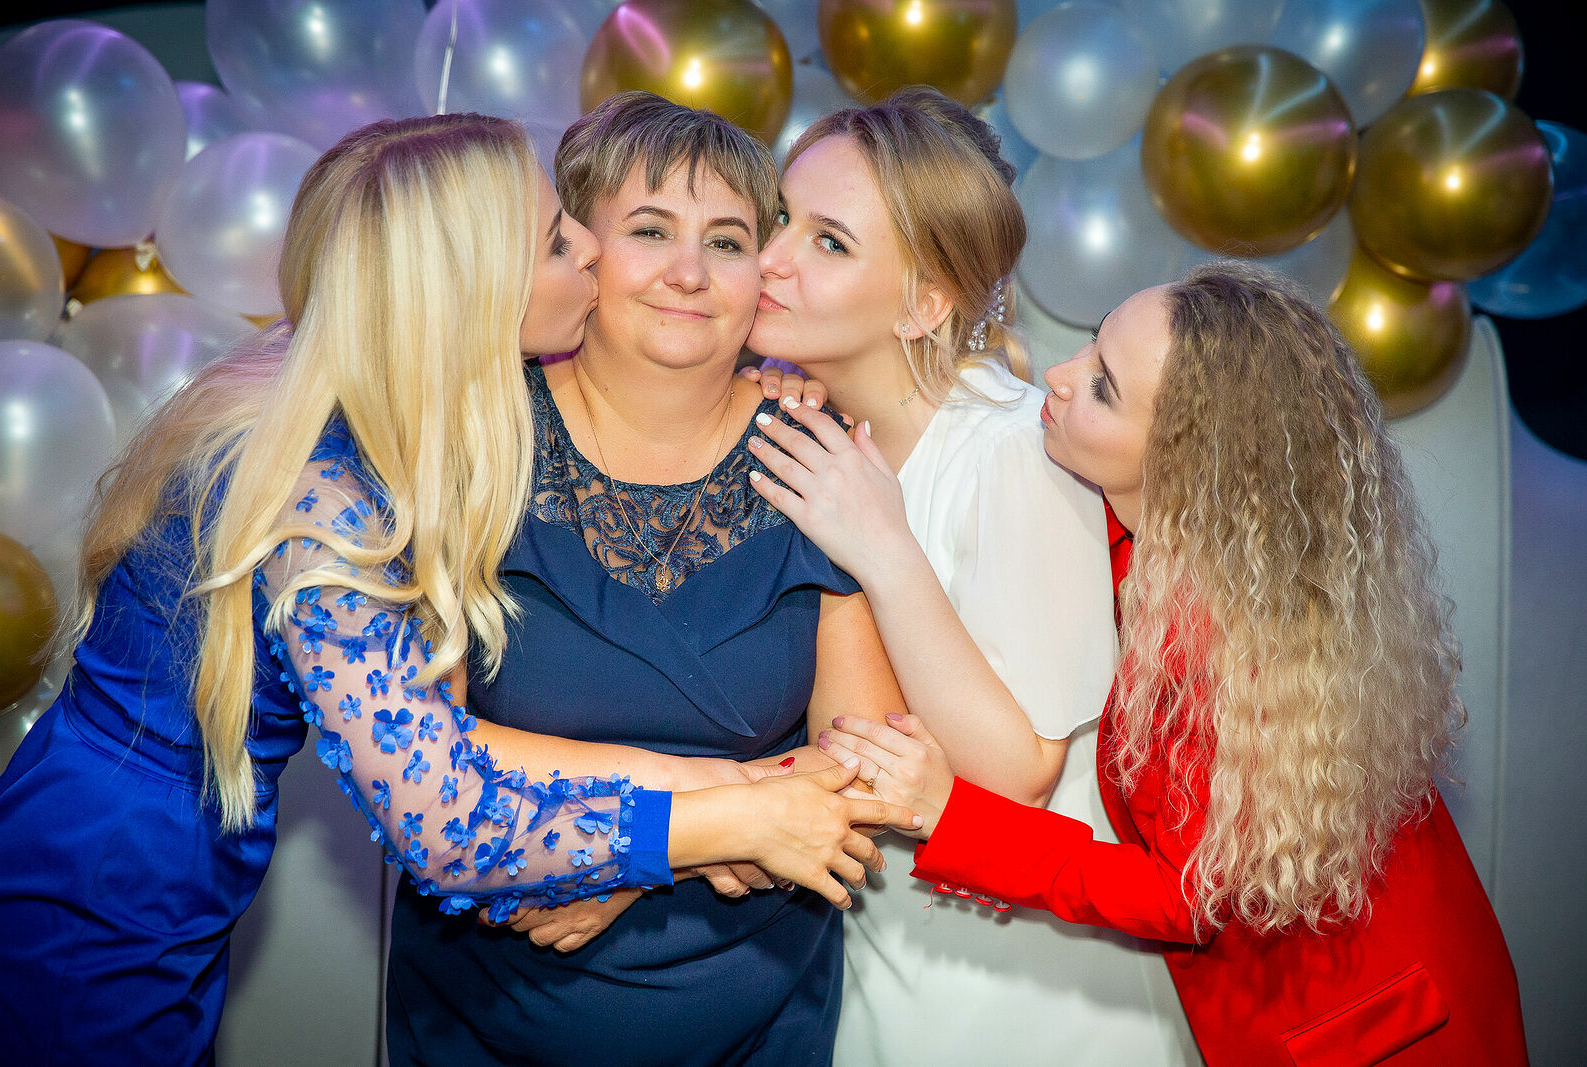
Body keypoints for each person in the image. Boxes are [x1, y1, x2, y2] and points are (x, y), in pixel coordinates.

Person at [0, 113, 914, 1066]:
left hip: (160, 878)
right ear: (472, 282)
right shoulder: (325, 483)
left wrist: (714, 808)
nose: (591, 251)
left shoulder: (361, 416)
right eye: (557, 241)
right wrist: (729, 809)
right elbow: (444, 815)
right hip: (97, 887)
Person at [785, 262, 1530, 1064]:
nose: (1060, 378)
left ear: (1184, 464)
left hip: (1380, 1029)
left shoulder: (1231, 642)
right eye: (1092, 344)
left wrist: (956, 817)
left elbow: (1183, 895)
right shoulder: (1170, 536)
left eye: (1103, 387)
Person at [382, 92, 913, 1067]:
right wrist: (704, 823)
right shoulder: (473, 438)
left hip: (757, 1015)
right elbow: (427, 750)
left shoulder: (815, 451)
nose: (689, 272)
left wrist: (639, 858)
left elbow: (866, 761)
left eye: (727, 240)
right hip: (483, 1009)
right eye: (651, 230)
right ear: (582, 250)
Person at [737, 87, 1199, 1064]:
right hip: (879, 951)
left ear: (924, 304)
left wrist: (885, 546)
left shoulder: (1018, 451)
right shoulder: (804, 428)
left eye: (828, 242)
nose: (769, 257)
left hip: (1027, 994)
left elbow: (1015, 772)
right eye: (780, 215)